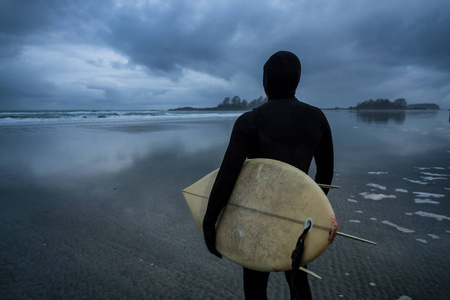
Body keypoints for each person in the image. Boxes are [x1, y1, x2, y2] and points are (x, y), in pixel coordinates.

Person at [202, 51, 334, 300]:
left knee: (254, 288)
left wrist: (210, 222)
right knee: (298, 282)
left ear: (266, 80)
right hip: (298, 217)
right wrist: (312, 213)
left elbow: (227, 176)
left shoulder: (250, 121)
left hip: (258, 216)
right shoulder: (318, 119)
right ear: (297, 79)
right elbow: (325, 174)